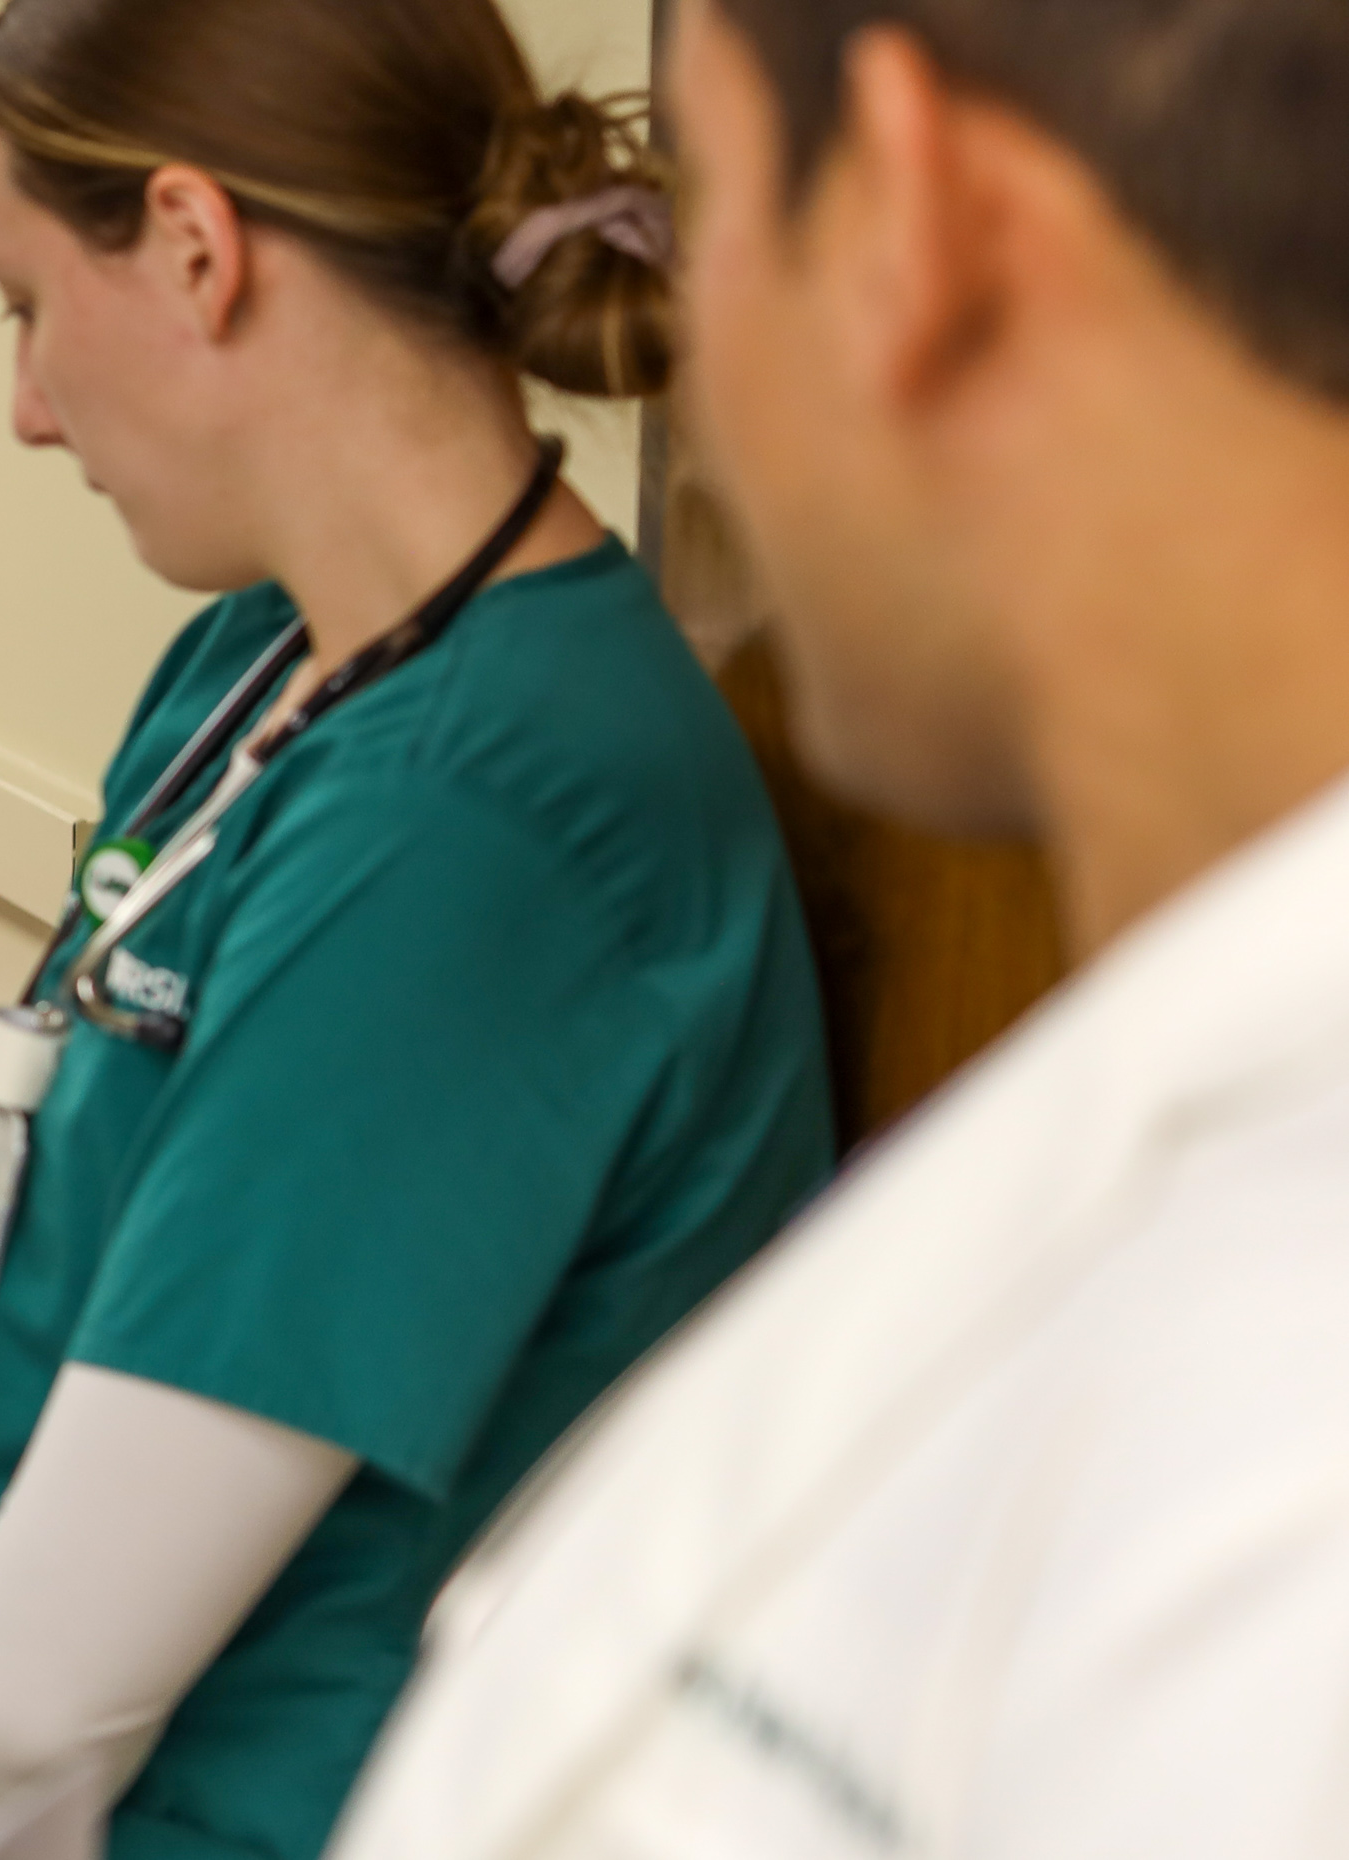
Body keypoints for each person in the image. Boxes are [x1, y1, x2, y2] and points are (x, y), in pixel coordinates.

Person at [0, 2, 838, 1855]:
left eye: (23, 305)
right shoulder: (250, 670)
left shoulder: (489, 816)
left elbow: (35, 1708)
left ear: (193, 245)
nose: (24, 407)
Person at [332, 0, 1349, 1852]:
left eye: (707, 201)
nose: (688, 358)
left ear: (904, 221)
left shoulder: (1280, 1475)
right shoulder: (1148, 1112)